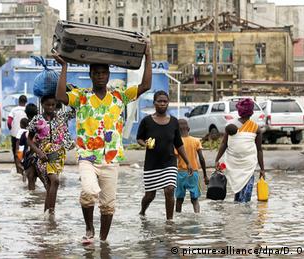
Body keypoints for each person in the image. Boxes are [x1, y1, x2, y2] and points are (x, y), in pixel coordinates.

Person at [53, 38, 152, 243]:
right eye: (96, 73)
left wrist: (148, 54)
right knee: (89, 192)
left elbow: (145, 85)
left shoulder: (119, 96)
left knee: (108, 204)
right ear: (90, 75)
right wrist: (64, 67)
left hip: (111, 157)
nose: (100, 76)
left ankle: (103, 240)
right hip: (87, 156)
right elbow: (61, 96)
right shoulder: (82, 96)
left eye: (103, 73)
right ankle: (89, 228)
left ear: (108, 75)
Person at [136, 91, 191, 220]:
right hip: (152, 164)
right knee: (150, 195)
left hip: (169, 162)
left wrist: (188, 162)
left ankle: (169, 221)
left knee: (170, 189)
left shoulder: (174, 122)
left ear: (168, 103)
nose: (162, 103)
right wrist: (145, 144)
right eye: (159, 101)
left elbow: (179, 144)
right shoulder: (146, 121)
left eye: (165, 101)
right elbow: (139, 138)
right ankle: (143, 211)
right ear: (154, 103)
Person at [26, 95, 75, 216]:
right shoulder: (37, 120)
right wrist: (39, 152)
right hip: (43, 156)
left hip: (58, 156)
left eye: (53, 105)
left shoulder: (61, 117)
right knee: (55, 181)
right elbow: (29, 140)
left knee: (51, 185)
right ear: (42, 105)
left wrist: (68, 92)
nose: (50, 107)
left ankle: (48, 215)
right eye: (48, 105)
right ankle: (50, 214)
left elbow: (75, 110)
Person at [215, 98, 265, 203]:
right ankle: (243, 216)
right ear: (251, 112)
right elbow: (259, 150)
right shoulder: (255, 128)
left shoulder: (231, 125)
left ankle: (239, 216)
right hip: (247, 166)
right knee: (245, 199)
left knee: (238, 197)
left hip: (239, 165)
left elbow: (224, 144)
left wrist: (217, 159)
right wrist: (262, 169)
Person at [175, 119, 208, 213]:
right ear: (188, 129)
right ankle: (197, 216)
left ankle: (177, 218)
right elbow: (201, 159)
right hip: (193, 173)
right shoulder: (196, 141)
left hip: (180, 173)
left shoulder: (176, 143)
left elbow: (173, 160)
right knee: (195, 200)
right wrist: (205, 175)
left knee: (179, 200)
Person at [18, 103, 42, 189]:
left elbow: (20, 149)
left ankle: (31, 200)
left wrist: (20, 160)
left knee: (31, 179)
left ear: (27, 114)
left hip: (29, 159)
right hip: (42, 157)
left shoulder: (25, 133)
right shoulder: (42, 127)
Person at [8, 95, 28, 173]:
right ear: (26, 102)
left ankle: (18, 170)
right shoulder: (27, 109)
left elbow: (9, 122)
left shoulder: (13, 110)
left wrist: (11, 129)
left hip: (15, 135)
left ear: (18, 101)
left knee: (16, 152)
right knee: (25, 151)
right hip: (26, 134)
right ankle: (26, 168)